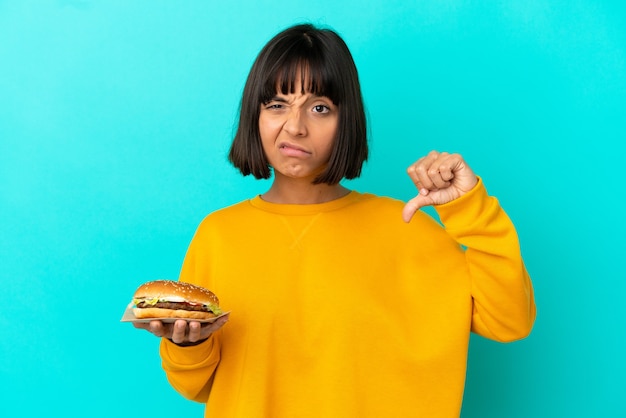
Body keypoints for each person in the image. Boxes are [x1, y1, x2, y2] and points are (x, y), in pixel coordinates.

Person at [133, 23, 536, 417]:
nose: (295, 126)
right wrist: (187, 345)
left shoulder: (405, 227)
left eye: (320, 108)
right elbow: (195, 386)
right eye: (276, 104)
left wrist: (468, 206)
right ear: (254, 117)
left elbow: (509, 320)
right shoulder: (219, 234)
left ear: (348, 121)